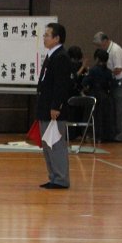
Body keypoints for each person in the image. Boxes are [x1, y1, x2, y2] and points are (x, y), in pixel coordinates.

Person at [38, 22, 71, 189]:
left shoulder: (61, 57)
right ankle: (54, 177)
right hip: (45, 107)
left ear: (57, 38)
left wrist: (56, 106)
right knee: (47, 145)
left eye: (47, 35)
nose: (44, 38)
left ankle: (61, 179)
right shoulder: (51, 55)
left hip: (54, 110)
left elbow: (61, 85)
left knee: (56, 144)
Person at [92, 31, 122, 142]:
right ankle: (114, 133)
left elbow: (118, 69)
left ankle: (121, 135)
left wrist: (104, 74)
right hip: (114, 82)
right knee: (114, 109)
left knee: (120, 109)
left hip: (120, 81)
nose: (99, 47)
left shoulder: (116, 50)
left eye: (100, 45)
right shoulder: (108, 50)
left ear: (105, 41)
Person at [80, 48, 114, 142]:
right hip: (105, 96)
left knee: (92, 115)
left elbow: (85, 82)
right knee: (104, 116)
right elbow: (111, 85)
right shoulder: (109, 72)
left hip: (94, 95)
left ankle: (90, 135)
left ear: (97, 58)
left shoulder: (93, 70)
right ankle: (103, 136)